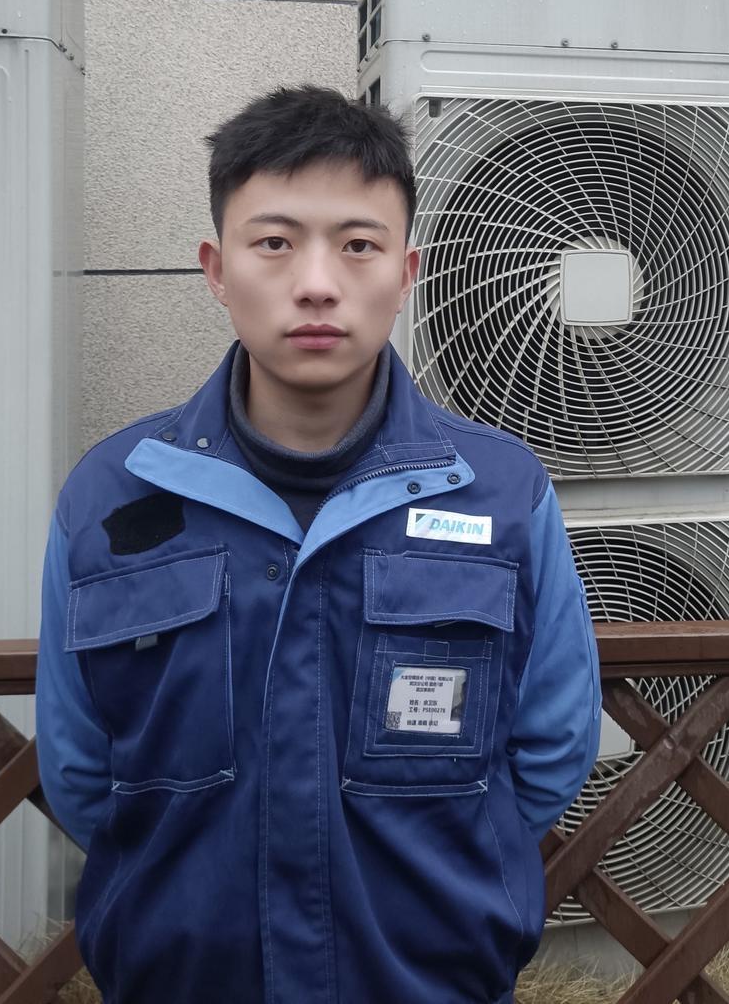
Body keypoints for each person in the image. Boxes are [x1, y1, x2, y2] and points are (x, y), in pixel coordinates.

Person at [35, 84, 602, 1004]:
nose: (316, 283)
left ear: (407, 272)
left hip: (426, 981)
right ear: (216, 268)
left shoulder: (502, 493)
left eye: (358, 245)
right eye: (274, 242)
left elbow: (552, 748)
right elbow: (80, 774)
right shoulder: (111, 498)